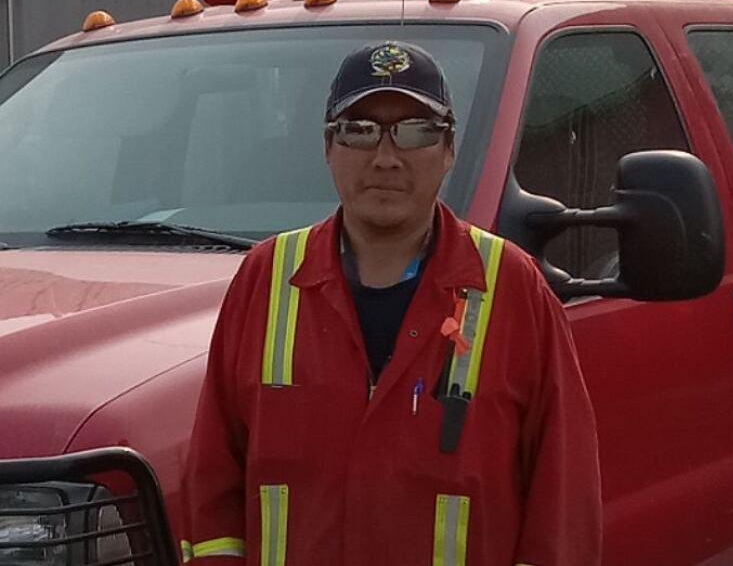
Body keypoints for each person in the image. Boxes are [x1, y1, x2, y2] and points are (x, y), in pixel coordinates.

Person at [179, 41, 602, 566]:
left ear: (449, 150)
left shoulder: (514, 289)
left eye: (416, 131)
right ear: (327, 147)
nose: (385, 157)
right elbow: (214, 482)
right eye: (359, 130)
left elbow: (562, 501)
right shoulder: (266, 280)